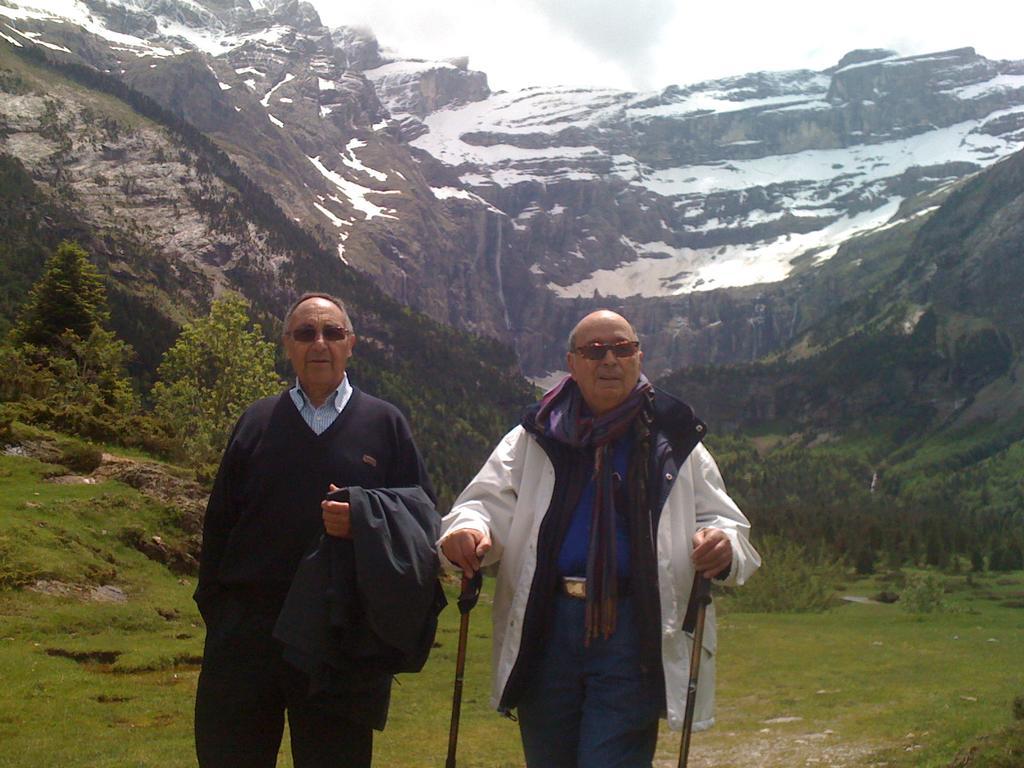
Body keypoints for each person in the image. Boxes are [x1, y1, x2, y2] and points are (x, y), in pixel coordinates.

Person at [440, 309, 760, 768]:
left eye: (622, 348)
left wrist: (723, 543)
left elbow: (723, 520)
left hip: (634, 628)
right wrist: (467, 531)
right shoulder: (533, 436)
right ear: (572, 363)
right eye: (594, 351)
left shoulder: (674, 439)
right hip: (546, 625)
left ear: (639, 356)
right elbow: (484, 503)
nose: (609, 359)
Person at [194, 293, 437, 768]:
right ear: (287, 345)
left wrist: (364, 518)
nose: (319, 343)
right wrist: (220, 614)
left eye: (333, 333)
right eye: (305, 333)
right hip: (248, 634)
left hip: (340, 634)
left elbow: (423, 515)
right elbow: (218, 525)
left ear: (352, 344)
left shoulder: (384, 423)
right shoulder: (256, 421)